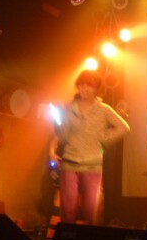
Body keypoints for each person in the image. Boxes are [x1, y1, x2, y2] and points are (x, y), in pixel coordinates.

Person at [49, 70, 130, 225]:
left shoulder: (103, 109)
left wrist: (104, 138)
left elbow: (124, 127)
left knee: (91, 211)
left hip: (92, 166)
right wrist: (56, 124)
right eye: (81, 85)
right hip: (70, 164)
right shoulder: (69, 108)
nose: (84, 88)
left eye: (89, 85)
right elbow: (63, 135)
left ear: (96, 89)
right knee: (67, 212)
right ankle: (68, 239)